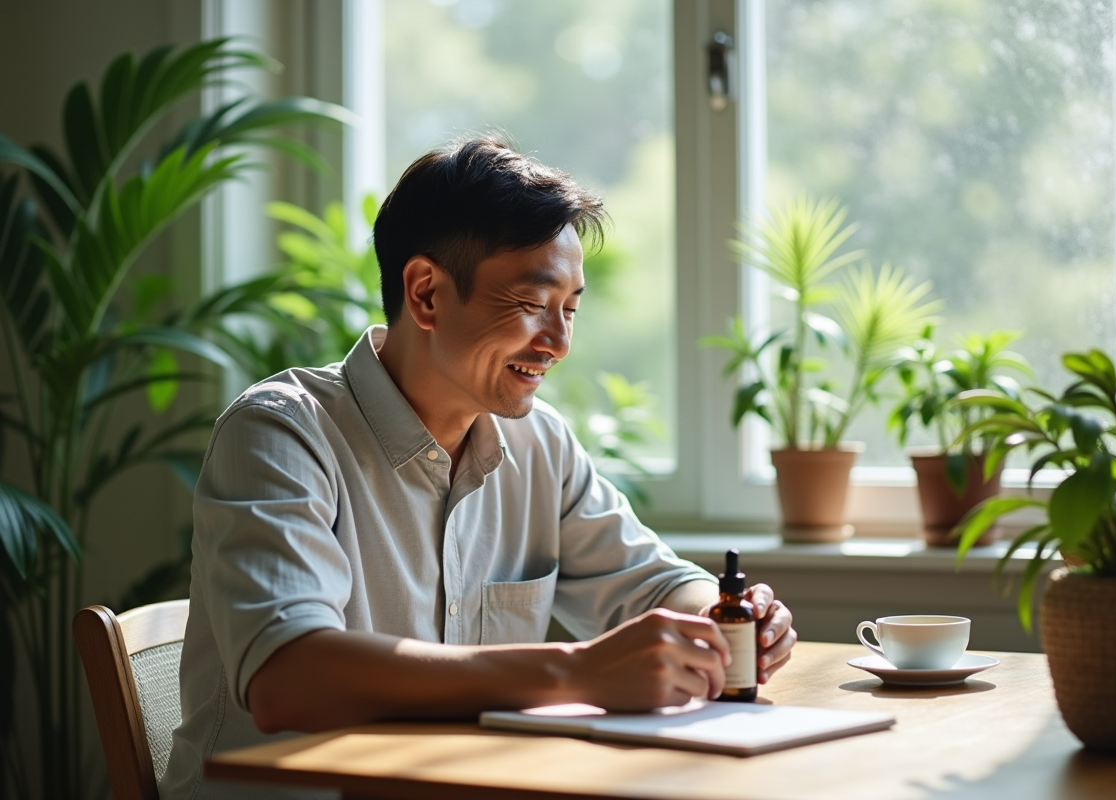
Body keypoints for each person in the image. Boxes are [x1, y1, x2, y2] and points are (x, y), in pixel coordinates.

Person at [161, 137, 797, 800]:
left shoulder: (540, 445)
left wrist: (723, 617)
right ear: (427, 294)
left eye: (571, 309)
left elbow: (654, 584)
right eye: (532, 304)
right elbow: (288, 677)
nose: (558, 343)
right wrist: (574, 672)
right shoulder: (280, 433)